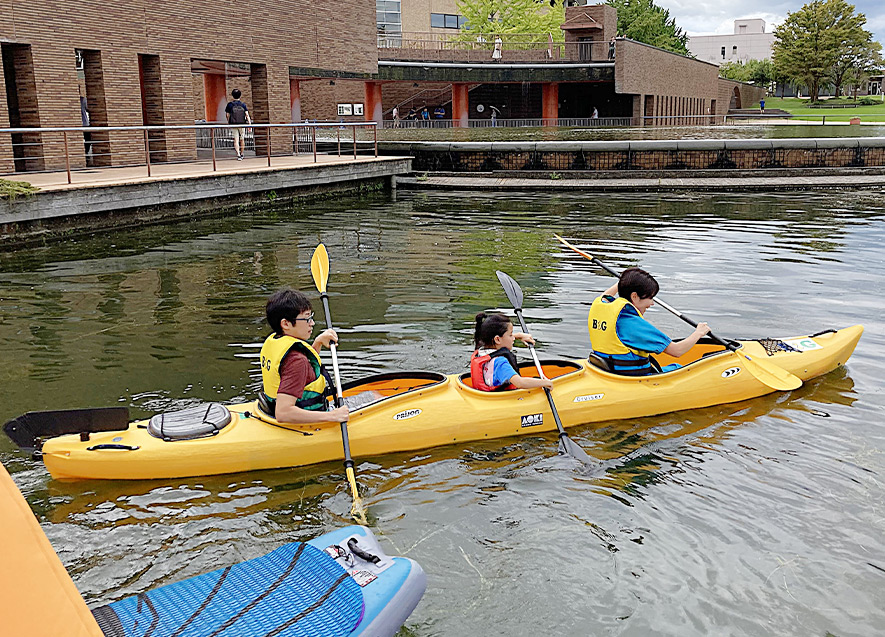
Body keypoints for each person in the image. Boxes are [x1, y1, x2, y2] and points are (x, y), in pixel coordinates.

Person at [588, 267, 710, 376]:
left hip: (609, 371)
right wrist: (699, 332)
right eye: (650, 297)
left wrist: (626, 280)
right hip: (634, 377)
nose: (652, 303)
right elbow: (677, 351)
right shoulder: (633, 324)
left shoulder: (600, 306)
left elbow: (606, 294)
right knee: (679, 368)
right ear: (634, 296)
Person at [258, 288, 348, 425]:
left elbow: (304, 374)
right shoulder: (296, 361)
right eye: (307, 318)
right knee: (376, 396)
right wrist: (333, 416)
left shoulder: (275, 340)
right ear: (286, 324)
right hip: (301, 422)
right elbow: (283, 413)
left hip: (269, 409)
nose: (312, 323)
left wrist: (317, 343)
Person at [470, 312, 554, 392]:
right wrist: (546, 382)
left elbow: (500, 339)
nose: (513, 338)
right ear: (497, 339)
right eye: (510, 335)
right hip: (501, 400)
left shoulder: (480, 351)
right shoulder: (500, 363)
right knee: (537, 380)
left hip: (484, 395)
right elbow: (520, 383)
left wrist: (519, 336)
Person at [225, 88, 252, 160]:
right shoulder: (243, 105)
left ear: (232, 96)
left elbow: (227, 115)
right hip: (242, 124)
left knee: (236, 139)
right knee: (242, 139)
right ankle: (242, 153)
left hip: (233, 124)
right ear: (240, 96)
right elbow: (247, 115)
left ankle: (238, 154)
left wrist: (229, 122)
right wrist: (249, 125)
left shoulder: (230, 105)